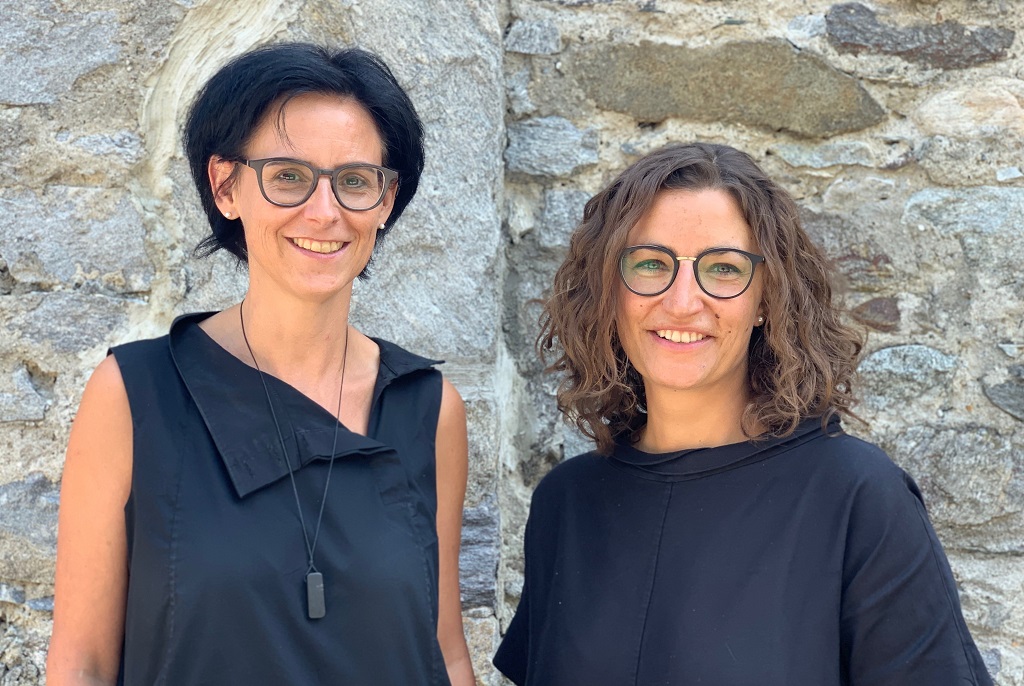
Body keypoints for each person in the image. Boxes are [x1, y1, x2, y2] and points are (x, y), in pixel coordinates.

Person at [46, 43, 475, 685]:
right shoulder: (135, 396)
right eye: (289, 176)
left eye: (355, 180)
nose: (324, 212)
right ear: (226, 186)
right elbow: (82, 664)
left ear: (385, 201)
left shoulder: (429, 409)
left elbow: (442, 653)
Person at [493, 142, 992, 685]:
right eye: (651, 263)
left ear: (766, 300)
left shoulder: (856, 497)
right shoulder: (567, 504)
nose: (683, 302)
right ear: (609, 289)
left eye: (724, 269)